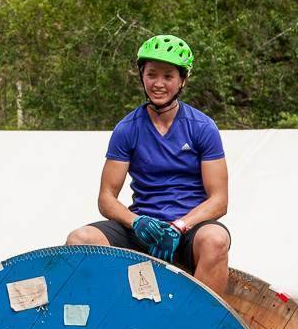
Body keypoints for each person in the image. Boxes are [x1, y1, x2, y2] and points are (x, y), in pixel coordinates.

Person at [65, 34, 232, 295]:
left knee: (216, 239)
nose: (158, 83)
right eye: (152, 74)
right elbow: (106, 198)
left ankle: (199, 320)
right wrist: (137, 222)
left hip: (189, 230)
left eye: (168, 76)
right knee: (80, 239)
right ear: (142, 76)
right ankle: (112, 310)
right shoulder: (127, 128)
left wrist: (180, 226)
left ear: (182, 80)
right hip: (143, 229)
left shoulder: (202, 127)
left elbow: (219, 200)